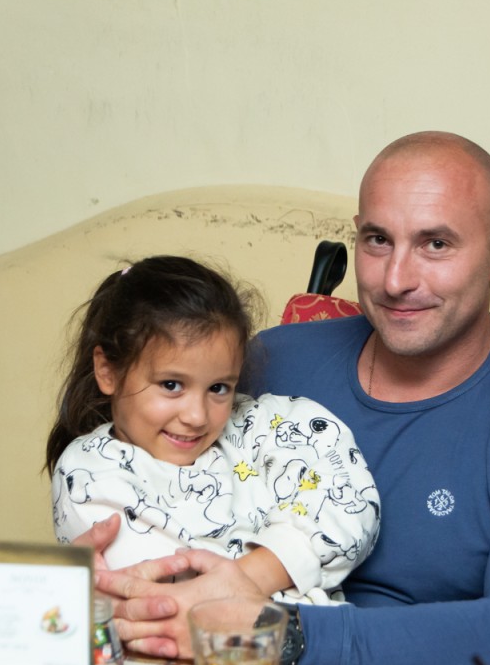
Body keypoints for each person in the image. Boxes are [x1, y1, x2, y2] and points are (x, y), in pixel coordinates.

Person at [80, 133, 490, 665]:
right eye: (377, 240)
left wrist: (276, 632)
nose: (395, 280)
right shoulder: (273, 361)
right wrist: (107, 576)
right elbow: (148, 482)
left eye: (435, 244)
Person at [47, 257, 380, 605]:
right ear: (107, 372)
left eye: (219, 388)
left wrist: (250, 575)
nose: (196, 416)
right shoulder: (88, 475)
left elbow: (352, 503)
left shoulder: (264, 423)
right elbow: (166, 602)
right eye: (171, 385)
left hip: (320, 635)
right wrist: (291, 554)